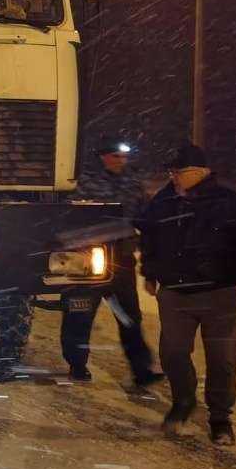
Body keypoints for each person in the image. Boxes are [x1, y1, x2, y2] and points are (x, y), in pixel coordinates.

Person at [136, 144, 236, 446]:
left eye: (180, 172)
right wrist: (150, 272)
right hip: (175, 294)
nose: (174, 177)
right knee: (173, 353)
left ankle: (220, 418)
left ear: (201, 172)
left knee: (222, 359)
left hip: (219, 294)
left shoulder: (230, 203)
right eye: (171, 172)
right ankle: (183, 401)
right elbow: (150, 239)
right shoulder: (163, 202)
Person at [61, 138, 165, 388]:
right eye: (115, 156)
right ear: (103, 157)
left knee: (129, 317)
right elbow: (67, 216)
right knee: (79, 315)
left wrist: (149, 253)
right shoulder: (83, 182)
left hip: (120, 260)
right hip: (86, 261)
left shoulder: (132, 184)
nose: (121, 161)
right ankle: (77, 365)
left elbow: (145, 219)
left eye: (123, 157)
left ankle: (141, 369)